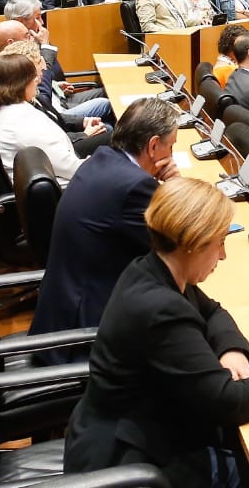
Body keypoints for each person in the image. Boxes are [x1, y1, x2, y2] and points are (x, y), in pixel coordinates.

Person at [64, 177, 249, 487]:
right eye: (219, 243)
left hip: (130, 430)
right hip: (135, 461)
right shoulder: (161, 310)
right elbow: (229, 403)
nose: (224, 255)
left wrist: (232, 350)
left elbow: (211, 310)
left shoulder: (150, 269)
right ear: (194, 244)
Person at [28, 98, 182, 351]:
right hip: (85, 334)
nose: (172, 156)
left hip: (63, 309)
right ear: (153, 146)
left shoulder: (102, 159)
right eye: (171, 147)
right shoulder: (134, 187)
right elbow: (178, 245)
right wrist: (175, 187)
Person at [0, 48, 89, 182]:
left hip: (49, 173)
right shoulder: (20, 122)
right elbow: (70, 168)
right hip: (63, 187)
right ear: (19, 84)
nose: (37, 81)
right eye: (33, 77)